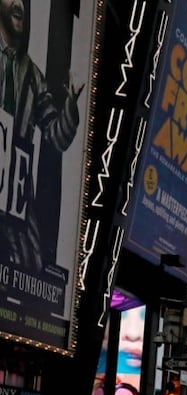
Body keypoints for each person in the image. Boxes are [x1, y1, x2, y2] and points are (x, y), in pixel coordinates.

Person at [0, 0, 85, 271]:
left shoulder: (32, 76)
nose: (19, 4)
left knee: (28, 271)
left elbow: (57, 137)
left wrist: (71, 103)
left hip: (18, 206)